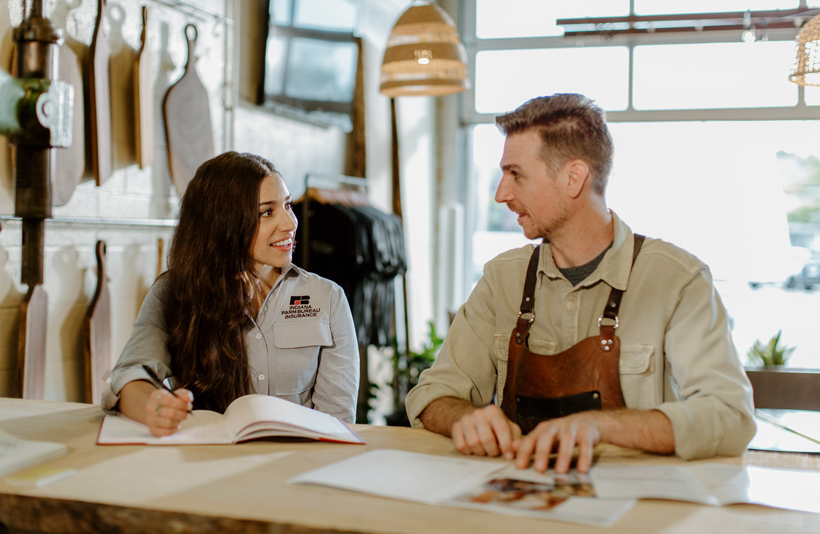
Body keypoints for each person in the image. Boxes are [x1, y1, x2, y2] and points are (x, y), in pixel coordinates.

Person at [405, 93, 755, 474]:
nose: (501, 194)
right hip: (520, 504)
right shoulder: (500, 279)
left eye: (516, 174)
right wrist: (463, 419)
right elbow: (432, 395)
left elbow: (730, 416)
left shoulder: (678, 281)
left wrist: (601, 426)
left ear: (574, 178)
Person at [102, 152, 359, 436]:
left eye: (287, 205)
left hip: (296, 468)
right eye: (267, 212)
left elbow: (337, 422)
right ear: (224, 223)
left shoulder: (328, 298)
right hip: (209, 465)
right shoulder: (173, 293)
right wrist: (153, 406)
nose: (289, 223)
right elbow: (130, 374)